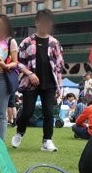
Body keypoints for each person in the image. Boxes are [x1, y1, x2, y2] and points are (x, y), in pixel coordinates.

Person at [13, 9, 65, 152]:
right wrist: (29, 73)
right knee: (27, 111)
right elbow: (18, 62)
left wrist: (59, 87)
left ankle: (47, 140)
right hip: (30, 84)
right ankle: (19, 132)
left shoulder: (55, 43)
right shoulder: (27, 42)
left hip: (49, 84)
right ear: (36, 22)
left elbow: (59, 66)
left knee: (49, 112)